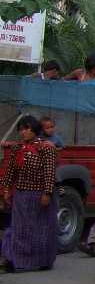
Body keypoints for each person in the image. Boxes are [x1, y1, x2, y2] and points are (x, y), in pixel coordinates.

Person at [0, 116, 59, 273]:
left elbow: (49, 172)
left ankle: (43, 261)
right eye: (21, 129)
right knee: (18, 229)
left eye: (27, 129)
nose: (23, 132)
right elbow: (10, 172)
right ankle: (12, 260)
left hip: (39, 196)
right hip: (21, 196)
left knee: (41, 230)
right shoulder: (17, 149)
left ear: (34, 130)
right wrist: (5, 190)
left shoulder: (46, 148)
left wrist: (47, 193)